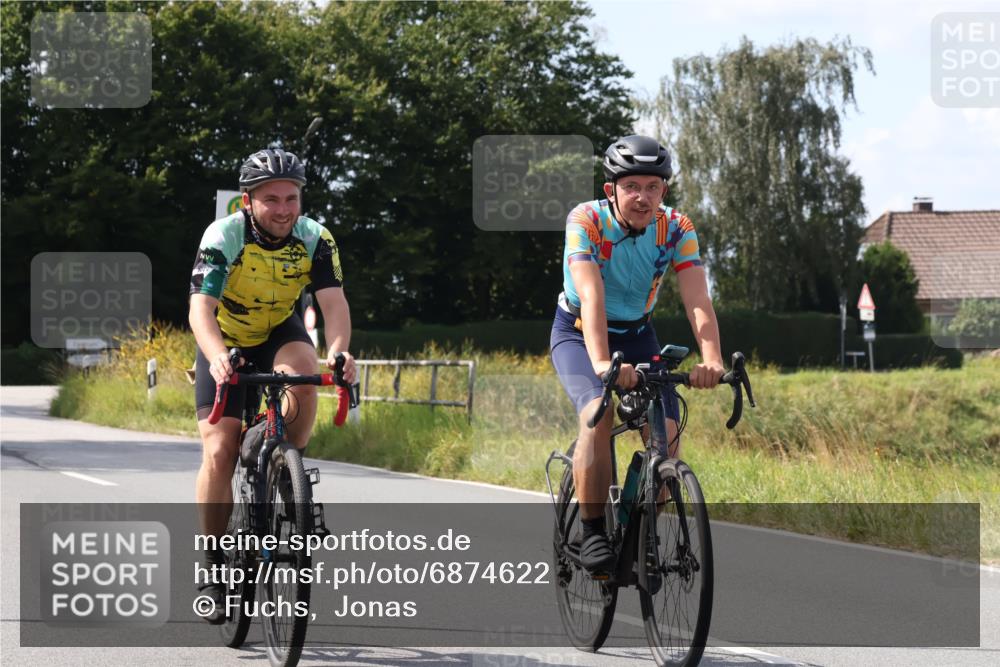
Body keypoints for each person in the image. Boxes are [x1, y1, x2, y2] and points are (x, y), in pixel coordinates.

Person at [188, 147, 357, 622]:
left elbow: (334, 304)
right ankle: (213, 564)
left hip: (279, 330)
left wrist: (340, 350)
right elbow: (200, 308)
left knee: (305, 375)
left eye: (291, 198)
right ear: (248, 201)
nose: (283, 209)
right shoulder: (224, 235)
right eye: (271, 199)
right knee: (219, 451)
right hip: (225, 337)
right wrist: (219, 356)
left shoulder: (315, 238)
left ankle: (285, 468)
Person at [550, 135, 724, 574]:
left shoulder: (677, 229)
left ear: (663, 190)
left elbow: (697, 299)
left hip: (639, 334)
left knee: (667, 433)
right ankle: (592, 533)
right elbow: (590, 294)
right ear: (612, 190)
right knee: (598, 411)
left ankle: (641, 528)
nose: (642, 197)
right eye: (632, 187)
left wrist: (712, 358)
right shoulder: (585, 219)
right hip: (577, 333)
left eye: (652, 187)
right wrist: (605, 364)